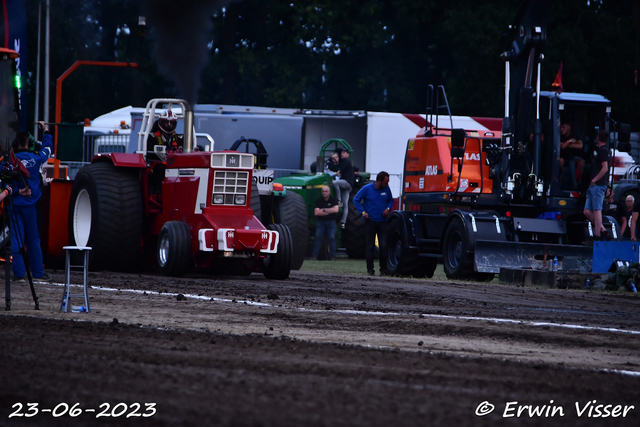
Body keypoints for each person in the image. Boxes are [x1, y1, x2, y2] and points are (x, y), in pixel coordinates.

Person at [10, 122, 53, 282]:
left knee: (17, 240)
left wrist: (17, 192)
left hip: (14, 206)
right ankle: (37, 272)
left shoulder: (9, 162)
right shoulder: (36, 158)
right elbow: (48, 149)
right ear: (29, 144)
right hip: (31, 208)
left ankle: (19, 273)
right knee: (34, 240)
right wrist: (46, 131)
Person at [353, 171, 393, 276]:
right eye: (385, 182)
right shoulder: (367, 189)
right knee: (369, 247)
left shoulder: (387, 189)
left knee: (384, 246)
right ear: (379, 181)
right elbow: (356, 200)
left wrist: (388, 208)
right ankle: (370, 270)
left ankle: (383, 270)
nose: (387, 184)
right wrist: (363, 212)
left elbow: (391, 201)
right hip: (370, 222)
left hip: (383, 222)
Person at [583, 130, 610, 240]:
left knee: (597, 210)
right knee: (586, 211)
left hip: (598, 185)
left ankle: (597, 235)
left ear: (598, 138)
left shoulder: (603, 151)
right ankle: (603, 230)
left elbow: (605, 168)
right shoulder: (601, 151)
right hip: (594, 185)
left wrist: (594, 180)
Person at [312, 185, 340, 260]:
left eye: (326, 191)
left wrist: (323, 210)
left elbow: (336, 210)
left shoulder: (333, 200)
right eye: (323, 191)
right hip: (321, 222)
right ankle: (315, 255)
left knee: (331, 237)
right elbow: (316, 213)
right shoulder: (319, 201)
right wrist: (329, 211)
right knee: (318, 237)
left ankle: (333, 256)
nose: (324, 193)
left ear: (329, 192)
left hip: (331, 222)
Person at [332, 148, 355, 229]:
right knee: (345, 204)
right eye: (342, 153)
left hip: (347, 182)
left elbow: (340, 171)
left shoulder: (346, 162)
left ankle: (338, 200)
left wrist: (337, 171)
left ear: (348, 154)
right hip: (348, 185)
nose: (342, 154)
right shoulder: (348, 163)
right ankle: (343, 222)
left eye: (344, 153)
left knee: (334, 183)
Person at [559, 122, 584, 188]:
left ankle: (578, 184)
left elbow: (580, 146)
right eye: (560, 127)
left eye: (563, 127)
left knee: (581, 161)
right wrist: (569, 141)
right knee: (560, 161)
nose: (561, 129)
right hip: (561, 157)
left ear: (569, 127)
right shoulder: (558, 135)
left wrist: (566, 144)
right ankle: (559, 182)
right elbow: (561, 147)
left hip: (573, 157)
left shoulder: (574, 134)